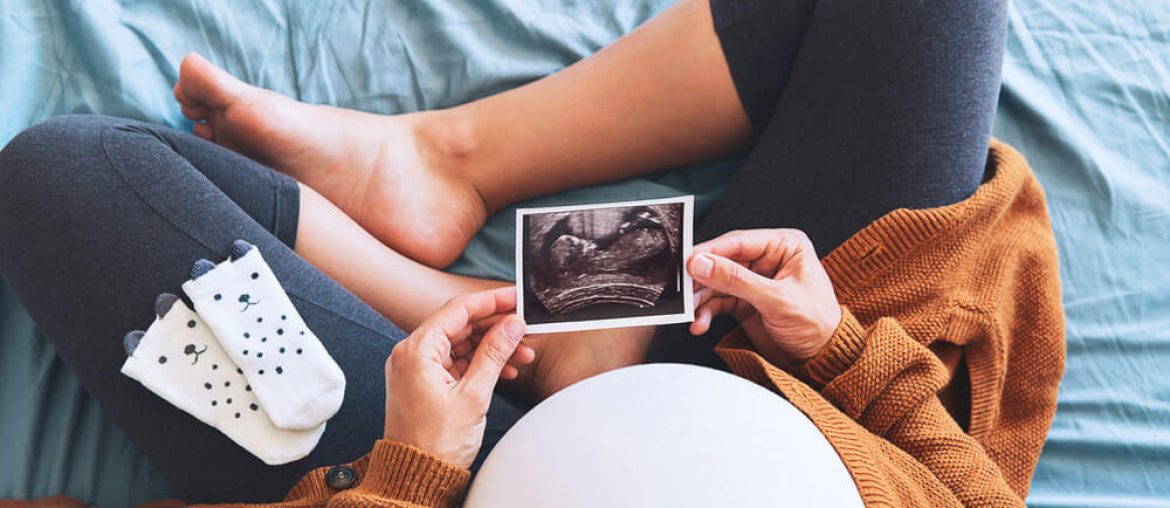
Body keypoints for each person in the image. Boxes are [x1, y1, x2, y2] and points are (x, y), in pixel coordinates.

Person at [0, 0, 1065, 505]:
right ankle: (449, 166)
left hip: (457, 482)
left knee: (63, 179)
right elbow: (963, 495)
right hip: (778, 398)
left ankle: (528, 331)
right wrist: (840, 348)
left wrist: (414, 468)